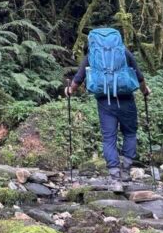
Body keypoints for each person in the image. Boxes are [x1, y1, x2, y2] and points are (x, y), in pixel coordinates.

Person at [65, 42, 151, 180]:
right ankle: (126, 169)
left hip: (105, 101)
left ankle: (115, 175)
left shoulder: (92, 54)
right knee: (130, 133)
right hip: (126, 99)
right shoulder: (123, 51)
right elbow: (139, 76)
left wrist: (70, 90)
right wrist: (145, 91)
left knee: (109, 138)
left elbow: (79, 77)